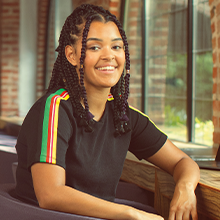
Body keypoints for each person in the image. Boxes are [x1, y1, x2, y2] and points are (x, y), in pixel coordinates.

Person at [15, 4, 200, 220]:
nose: (108, 56)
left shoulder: (123, 116)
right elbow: (50, 194)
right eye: (94, 48)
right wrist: (132, 214)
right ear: (72, 55)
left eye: (116, 47)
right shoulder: (55, 107)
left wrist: (186, 187)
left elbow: (182, 162)